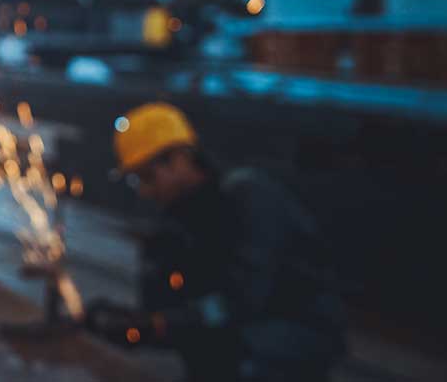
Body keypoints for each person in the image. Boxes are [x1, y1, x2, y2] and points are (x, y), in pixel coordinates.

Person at [84, 103, 346, 382]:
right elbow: (181, 312)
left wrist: (164, 324)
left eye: (148, 177)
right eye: (137, 181)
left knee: (239, 354)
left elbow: (242, 299)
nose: (146, 191)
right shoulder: (177, 223)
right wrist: (136, 323)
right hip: (245, 331)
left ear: (181, 158)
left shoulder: (249, 199)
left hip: (294, 329)